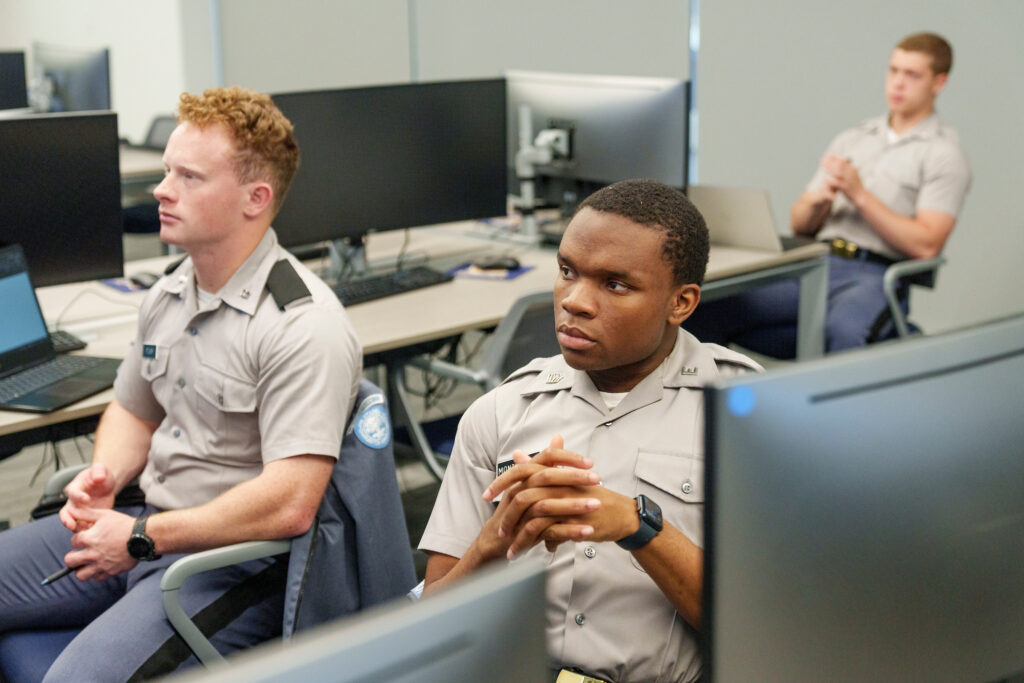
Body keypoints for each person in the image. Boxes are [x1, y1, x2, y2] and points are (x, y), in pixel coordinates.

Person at [0, 86, 362, 680]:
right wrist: (105, 476)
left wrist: (142, 536)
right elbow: (133, 411)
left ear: (256, 198)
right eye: (167, 170)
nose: (162, 190)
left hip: (230, 565)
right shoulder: (170, 290)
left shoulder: (303, 325)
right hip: (145, 526)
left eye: (189, 177)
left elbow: (291, 504)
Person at [418, 179, 762, 682]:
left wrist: (636, 525)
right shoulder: (503, 410)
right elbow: (430, 627)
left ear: (681, 303)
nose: (574, 301)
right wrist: (494, 541)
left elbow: (760, 628)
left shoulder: (742, 416)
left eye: (615, 284)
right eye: (566, 271)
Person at [686, 32, 971, 356]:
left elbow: (927, 245)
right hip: (818, 262)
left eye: (912, 75)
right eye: (893, 71)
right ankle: (707, 403)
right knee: (707, 305)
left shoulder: (944, 155)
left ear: (939, 82)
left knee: (844, 332)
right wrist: (818, 202)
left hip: (874, 276)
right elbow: (800, 226)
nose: (898, 83)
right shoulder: (853, 139)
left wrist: (860, 195)